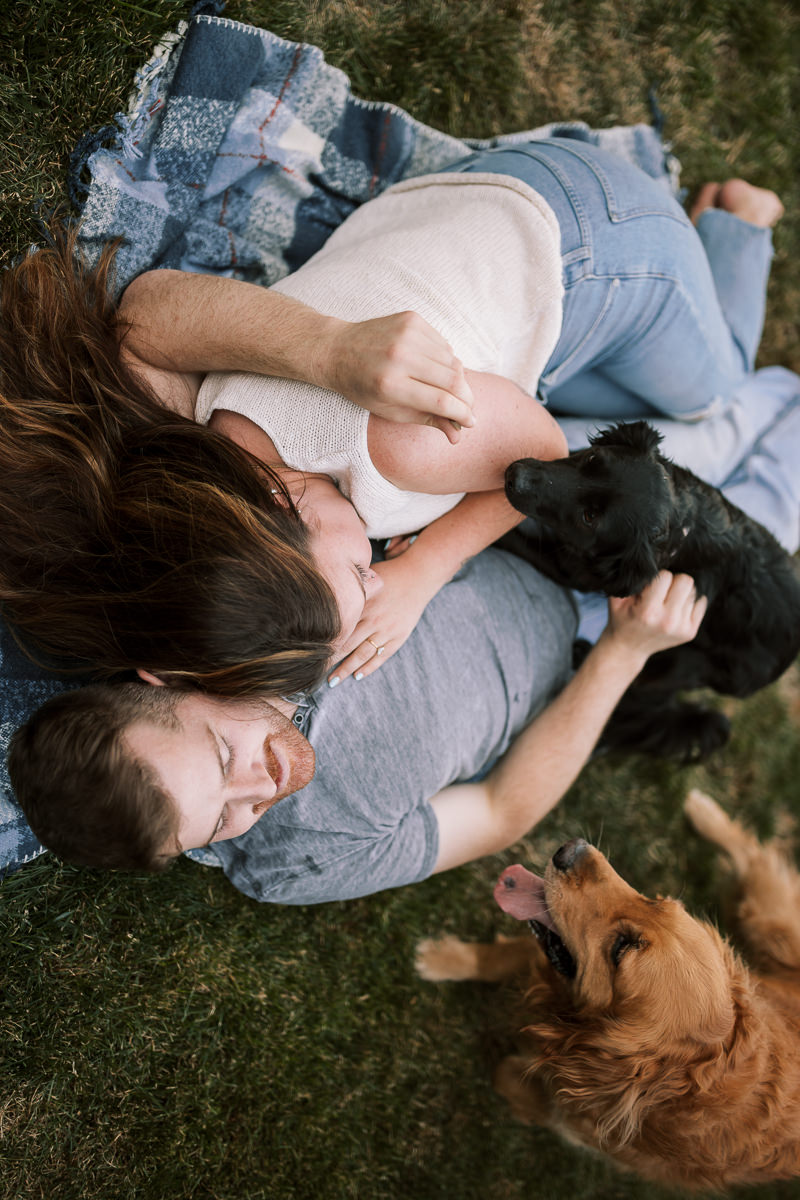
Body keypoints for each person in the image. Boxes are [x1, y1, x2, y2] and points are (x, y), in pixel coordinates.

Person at [115, 143, 782, 686]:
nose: (372, 569)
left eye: (357, 570)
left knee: (716, 391)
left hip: (590, 239)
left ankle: (744, 223)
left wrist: (423, 571)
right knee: (623, 403)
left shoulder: (395, 446)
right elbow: (137, 321)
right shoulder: (212, 438)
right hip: (463, 204)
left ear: (275, 497)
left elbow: (544, 449)